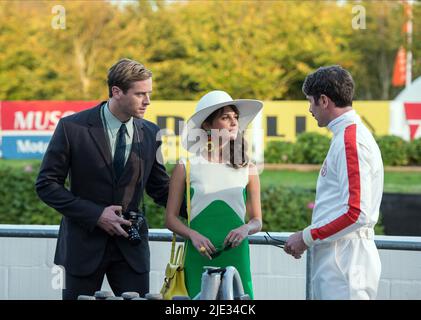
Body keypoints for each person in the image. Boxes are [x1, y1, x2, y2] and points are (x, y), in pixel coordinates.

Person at [36, 58, 185, 300]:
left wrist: (204, 214)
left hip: (131, 248)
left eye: (149, 93)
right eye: (140, 94)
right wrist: (96, 215)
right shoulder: (71, 128)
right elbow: (46, 185)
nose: (147, 101)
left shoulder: (151, 133)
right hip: (81, 247)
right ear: (116, 91)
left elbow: (159, 188)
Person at [284, 65, 383, 300]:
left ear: (324, 101)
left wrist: (306, 237)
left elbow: (357, 212)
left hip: (346, 261)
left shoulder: (351, 139)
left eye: (310, 101)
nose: (310, 109)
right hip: (341, 257)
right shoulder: (346, 136)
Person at [165, 90, 263, 299]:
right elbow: (170, 219)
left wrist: (245, 228)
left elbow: (257, 221)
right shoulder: (186, 166)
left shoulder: (249, 168)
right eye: (225, 117)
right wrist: (192, 234)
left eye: (235, 117)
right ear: (208, 126)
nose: (233, 122)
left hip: (237, 255)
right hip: (197, 255)